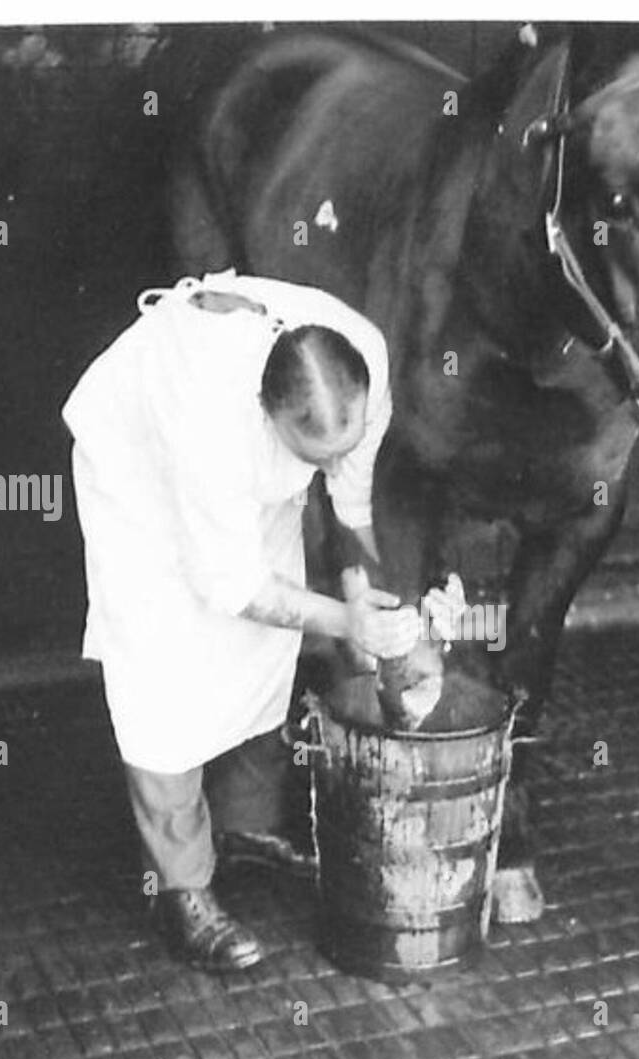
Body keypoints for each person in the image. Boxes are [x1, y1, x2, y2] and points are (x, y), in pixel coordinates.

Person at [64, 269, 445, 972]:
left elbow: (349, 490)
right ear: (268, 415)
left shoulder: (360, 351)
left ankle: (241, 829)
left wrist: (365, 598)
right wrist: (345, 622)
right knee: (165, 671)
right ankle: (180, 888)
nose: (334, 455)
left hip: (249, 475)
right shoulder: (208, 419)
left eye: (347, 435)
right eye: (313, 449)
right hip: (140, 465)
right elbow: (230, 583)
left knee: (259, 649)